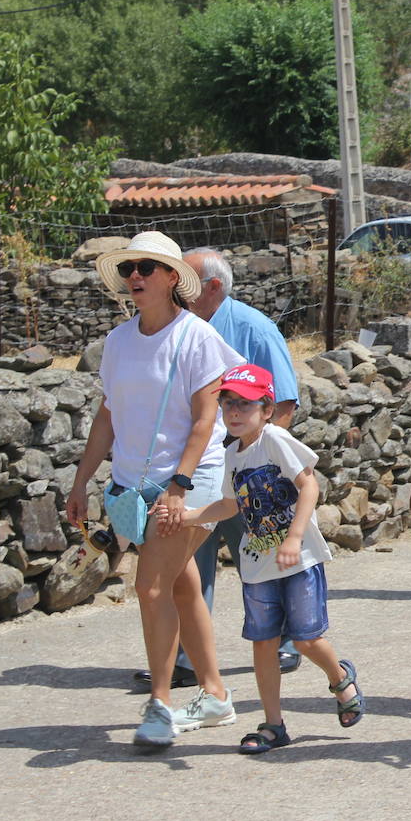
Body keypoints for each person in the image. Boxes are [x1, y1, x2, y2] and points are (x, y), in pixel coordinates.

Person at [65, 231, 243, 748]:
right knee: (182, 584)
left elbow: (205, 420)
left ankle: (161, 705)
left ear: (172, 278)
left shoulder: (197, 338)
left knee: (150, 588)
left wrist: (179, 489)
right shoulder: (118, 342)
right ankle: (214, 694)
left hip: (189, 482)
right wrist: (81, 481)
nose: (135, 277)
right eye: (128, 270)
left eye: (146, 267)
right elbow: (108, 417)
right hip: (135, 487)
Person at [130, 247, 303, 690]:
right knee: (189, 567)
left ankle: (283, 639)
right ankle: (185, 660)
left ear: (210, 287)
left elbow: (282, 402)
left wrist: (259, 465)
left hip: (246, 471)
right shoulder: (172, 331)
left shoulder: (251, 327)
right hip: (198, 471)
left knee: (260, 556)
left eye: (185, 277)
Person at [171, 364, 361, 753]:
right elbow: (228, 504)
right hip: (258, 565)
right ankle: (273, 725)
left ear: (267, 409)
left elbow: (309, 486)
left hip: (300, 559)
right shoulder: (232, 455)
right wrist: (188, 516)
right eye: (228, 405)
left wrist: (293, 538)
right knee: (263, 643)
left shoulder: (275, 440)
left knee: (307, 640)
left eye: (246, 404)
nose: (235, 413)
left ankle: (341, 678)